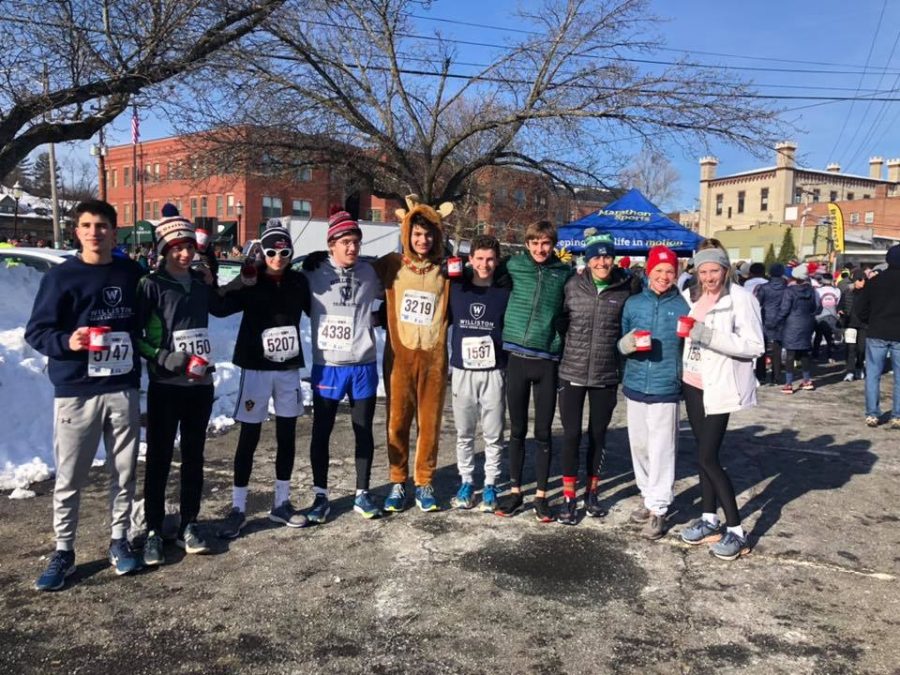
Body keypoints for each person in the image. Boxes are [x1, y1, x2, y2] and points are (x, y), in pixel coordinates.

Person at [26, 199, 145, 590]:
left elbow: (151, 319)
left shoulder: (131, 272)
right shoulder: (61, 278)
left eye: (103, 225)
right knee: (71, 475)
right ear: (77, 231)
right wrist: (68, 341)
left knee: (124, 472)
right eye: (87, 225)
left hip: (122, 387)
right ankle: (64, 551)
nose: (95, 232)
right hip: (76, 389)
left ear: (115, 230)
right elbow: (37, 332)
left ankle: (119, 540)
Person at [135, 208, 220, 566]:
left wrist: (220, 282)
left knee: (194, 457)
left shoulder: (200, 283)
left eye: (189, 247)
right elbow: (136, 336)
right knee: (158, 458)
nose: (185, 254)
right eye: (177, 248)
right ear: (163, 249)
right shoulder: (151, 285)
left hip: (200, 385)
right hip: (166, 384)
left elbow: (224, 306)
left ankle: (189, 522)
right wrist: (168, 359)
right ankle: (154, 529)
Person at [216, 221, 311, 538]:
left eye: (284, 251)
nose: (278, 256)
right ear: (263, 252)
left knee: (287, 436)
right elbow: (219, 307)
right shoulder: (251, 280)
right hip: (256, 369)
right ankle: (238, 508)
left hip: (287, 371)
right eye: (271, 251)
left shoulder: (298, 281)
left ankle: (281, 503)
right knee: (249, 437)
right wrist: (230, 281)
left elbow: (319, 308)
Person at [678, 244, 764, 561]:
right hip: (693, 383)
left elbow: (755, 346)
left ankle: (737, 531)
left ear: (725, 270)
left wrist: (708, 335)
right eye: (703, 271)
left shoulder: (741, 299)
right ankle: (709, 519)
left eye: (715, 270)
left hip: (719, 387)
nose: (709, 277)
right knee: (702, 457)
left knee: (708, 458)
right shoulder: (692, 297)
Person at [373, 196, 454, 513]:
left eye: (429, 235)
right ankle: (397, 481)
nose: (423, 241)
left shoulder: (446, 269)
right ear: (407, 233)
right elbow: (353, 272)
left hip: (433, 359)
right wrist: (316, 262)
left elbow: (482, 279)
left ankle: (424, 482)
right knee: (397, 423)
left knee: (430, 424)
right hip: (399, 359)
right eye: (417, 234)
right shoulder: (391, 264)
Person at [302, 210, 383, 522]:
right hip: (329, 366)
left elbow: (399, 288)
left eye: (356, 243)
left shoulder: (370, 272)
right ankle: (320, 496)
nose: (352, 248)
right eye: (346, 242)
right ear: (331, 244)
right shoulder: (313, 272)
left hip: (362, 365)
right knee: (322, 431)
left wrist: (380, 317)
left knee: (362, 431)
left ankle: (362, 493)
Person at [495, 220, 573, 520]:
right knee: (516, 430)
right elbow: (482, 272)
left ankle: (541, 496)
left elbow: (580, 292)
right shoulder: (514, 266)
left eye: (546, 243)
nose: (540, 249)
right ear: (527, 244)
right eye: (535, 243)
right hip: (517, 355)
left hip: (547, 359)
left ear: (552, 245)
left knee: (543, 431)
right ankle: (515, 492)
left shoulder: (563, 272)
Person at [556, 230, 631, 525]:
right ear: (587, 260)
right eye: (596, 256)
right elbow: (560, 320)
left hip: (605, 373)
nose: (602, 261)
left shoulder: (627, 287)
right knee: (571, 436)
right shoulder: (572, 286)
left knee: (598, 436)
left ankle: (592, 493)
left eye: (606, 256)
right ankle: (568, 497)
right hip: (572, 371)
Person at [618, 245, 689, 539]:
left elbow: (690, 349)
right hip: (635, 384)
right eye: (658, 271)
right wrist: (627, 345)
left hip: (665, 386)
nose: (663, 276)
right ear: (648, 272)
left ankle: (659, 507)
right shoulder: (634, 303)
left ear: (676, 274)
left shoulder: (684, 306)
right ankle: (647, 496)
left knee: (662, 448)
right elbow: (619, 342)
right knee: (640, 446)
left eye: (669, 271)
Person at [448, 235, 510, 512]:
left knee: (493, 434)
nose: (484, 264)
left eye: (490, 259)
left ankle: (490, 484)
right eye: (479, 258)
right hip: (463, 371)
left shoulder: (504, 292)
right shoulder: (456, 288)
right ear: (469, 259)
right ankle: (466, 481)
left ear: (497, 262)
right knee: (464, 432)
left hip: (493, 372)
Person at [857, 244, 900, 428]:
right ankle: (897, 415)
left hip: (876, 331)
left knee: (873, 374)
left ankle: (872, 414)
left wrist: (870, 321)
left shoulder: (875, 282)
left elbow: (860, 309)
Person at [776, 263, 820, 393]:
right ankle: (807, 380)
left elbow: (784, 309)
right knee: (804, 352)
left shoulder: (789, 291)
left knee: (791, 353)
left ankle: (789, 383)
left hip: (792, 323)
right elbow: (816, 307)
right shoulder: (812, 291)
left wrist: (777, 321)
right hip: (807, 323)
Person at [754, 263, 788, 386]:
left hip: (765, 318)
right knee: (777, 349)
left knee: (762, 348)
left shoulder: (764, 288)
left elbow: (757, 303)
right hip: (780, 319)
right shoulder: (786, 288)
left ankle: (761, 375)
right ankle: (777, 376)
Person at [838, 269, 867, 382]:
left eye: (864, 279)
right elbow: (840, 304)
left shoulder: (868, 293)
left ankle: (859, 367)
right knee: (850, 349)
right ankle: (850, 371)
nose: (862, 282)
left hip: (864, 325)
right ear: (855, 280)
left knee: (861, 349)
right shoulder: (847, 292)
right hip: (850, 324)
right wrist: (840, 310)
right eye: (860, 279)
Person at [812, 273, 840, 363]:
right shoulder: (837, 291)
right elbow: (837, 304)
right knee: (830, 338)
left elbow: (816, 303)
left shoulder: (817, 291)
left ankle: (815, 355)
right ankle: (830, 356)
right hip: (833, 316)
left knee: (818, 336)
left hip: (819, 316)